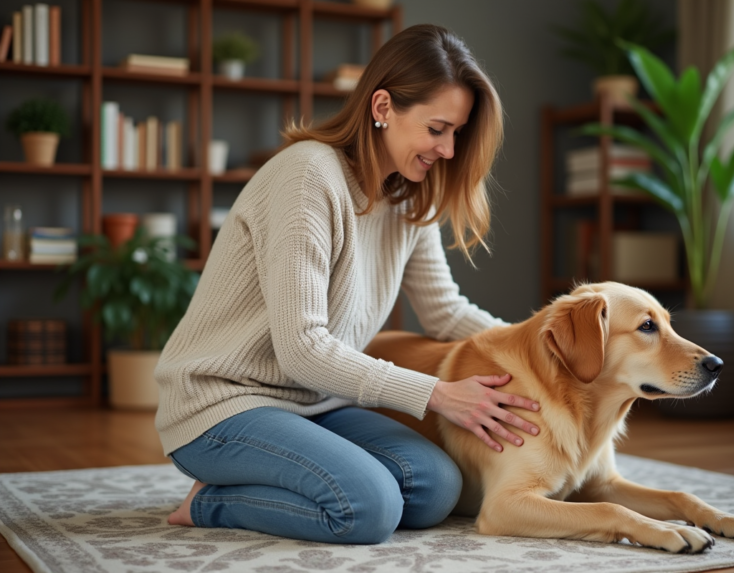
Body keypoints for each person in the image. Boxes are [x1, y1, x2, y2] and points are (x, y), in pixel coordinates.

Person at [155, 23, 541, 545]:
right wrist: (437, 394)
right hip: (222, 403)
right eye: (436, 129)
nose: (449, 150)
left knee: (435, 488)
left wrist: (540, 348)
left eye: (456, 132)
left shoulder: (409, 197)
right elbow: (301, 349)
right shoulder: (308, 177)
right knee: (368, 507)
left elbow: (445, 313)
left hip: (316, 404)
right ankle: (210, 501)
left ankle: (274, 476)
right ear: (382, 107)